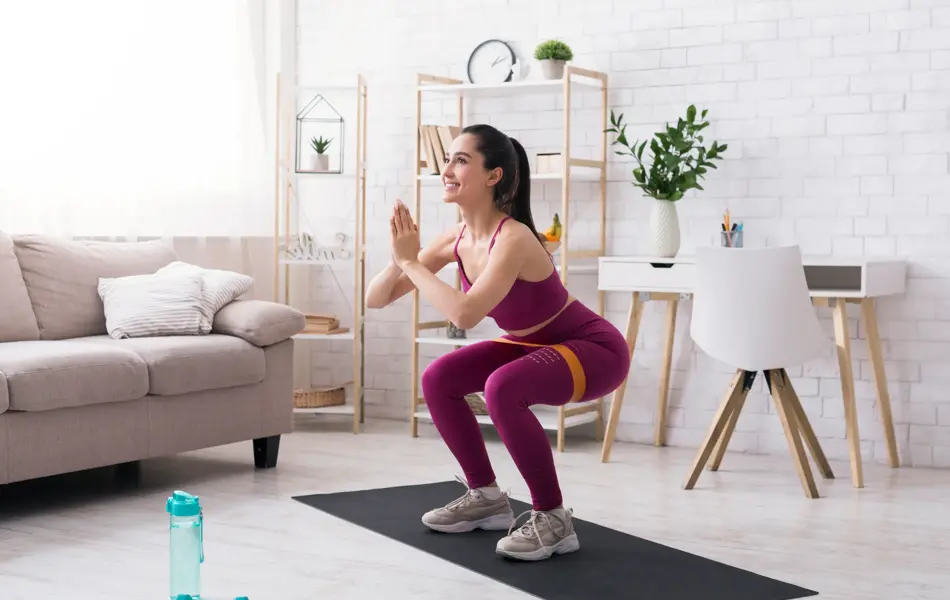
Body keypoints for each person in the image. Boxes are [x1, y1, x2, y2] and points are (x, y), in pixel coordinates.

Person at [365, 124, 630, 562]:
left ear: (494, 176)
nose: (447, 169)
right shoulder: (454, 238)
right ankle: (485, 496)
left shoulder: (514, 238)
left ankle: (554, 519)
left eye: (461, 160)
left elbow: (465, 314)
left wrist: (411, 261)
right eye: (447, 159)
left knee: (503, 387)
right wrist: (400, 258)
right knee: (439, 377)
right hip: (531, 345)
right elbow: (376, 298)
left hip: (594, 349)